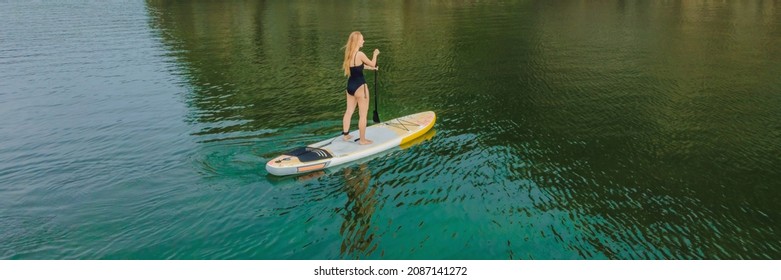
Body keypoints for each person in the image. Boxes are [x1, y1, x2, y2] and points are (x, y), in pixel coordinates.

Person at [342, 31, 379, 145]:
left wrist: (370, 68)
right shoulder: (360, 54)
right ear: (357, 42)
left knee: (349, 111)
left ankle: (346, 135)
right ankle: (362, 140)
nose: (363, 41)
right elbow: (373, 63)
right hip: (360, 87)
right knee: (363, 115)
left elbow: (358, 67)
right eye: (362, 39)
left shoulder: (349, 54)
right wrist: (375, 54)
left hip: (350, 87)